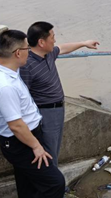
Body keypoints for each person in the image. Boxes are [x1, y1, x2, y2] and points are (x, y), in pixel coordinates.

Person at [0, 30, 65, 198]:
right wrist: (36, 146)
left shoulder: (9, 70)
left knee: (27, 186)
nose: (31, 51)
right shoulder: (4, 86)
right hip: (21, 143)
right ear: (18, 53)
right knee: (55, 183)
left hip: (26, 137)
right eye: (28, 48)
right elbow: (15, 125)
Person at [20, 21, 99, 167]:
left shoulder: (48, 54)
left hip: (58, 109)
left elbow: (62, 48)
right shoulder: (27, 65)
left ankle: (53, 182)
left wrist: (84, 43)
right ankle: (52, 185)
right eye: (52, 37)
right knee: (49, 151)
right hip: (45, 113)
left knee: (54, 148)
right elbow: (22, 95)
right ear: (41, 42)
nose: (55, 40)